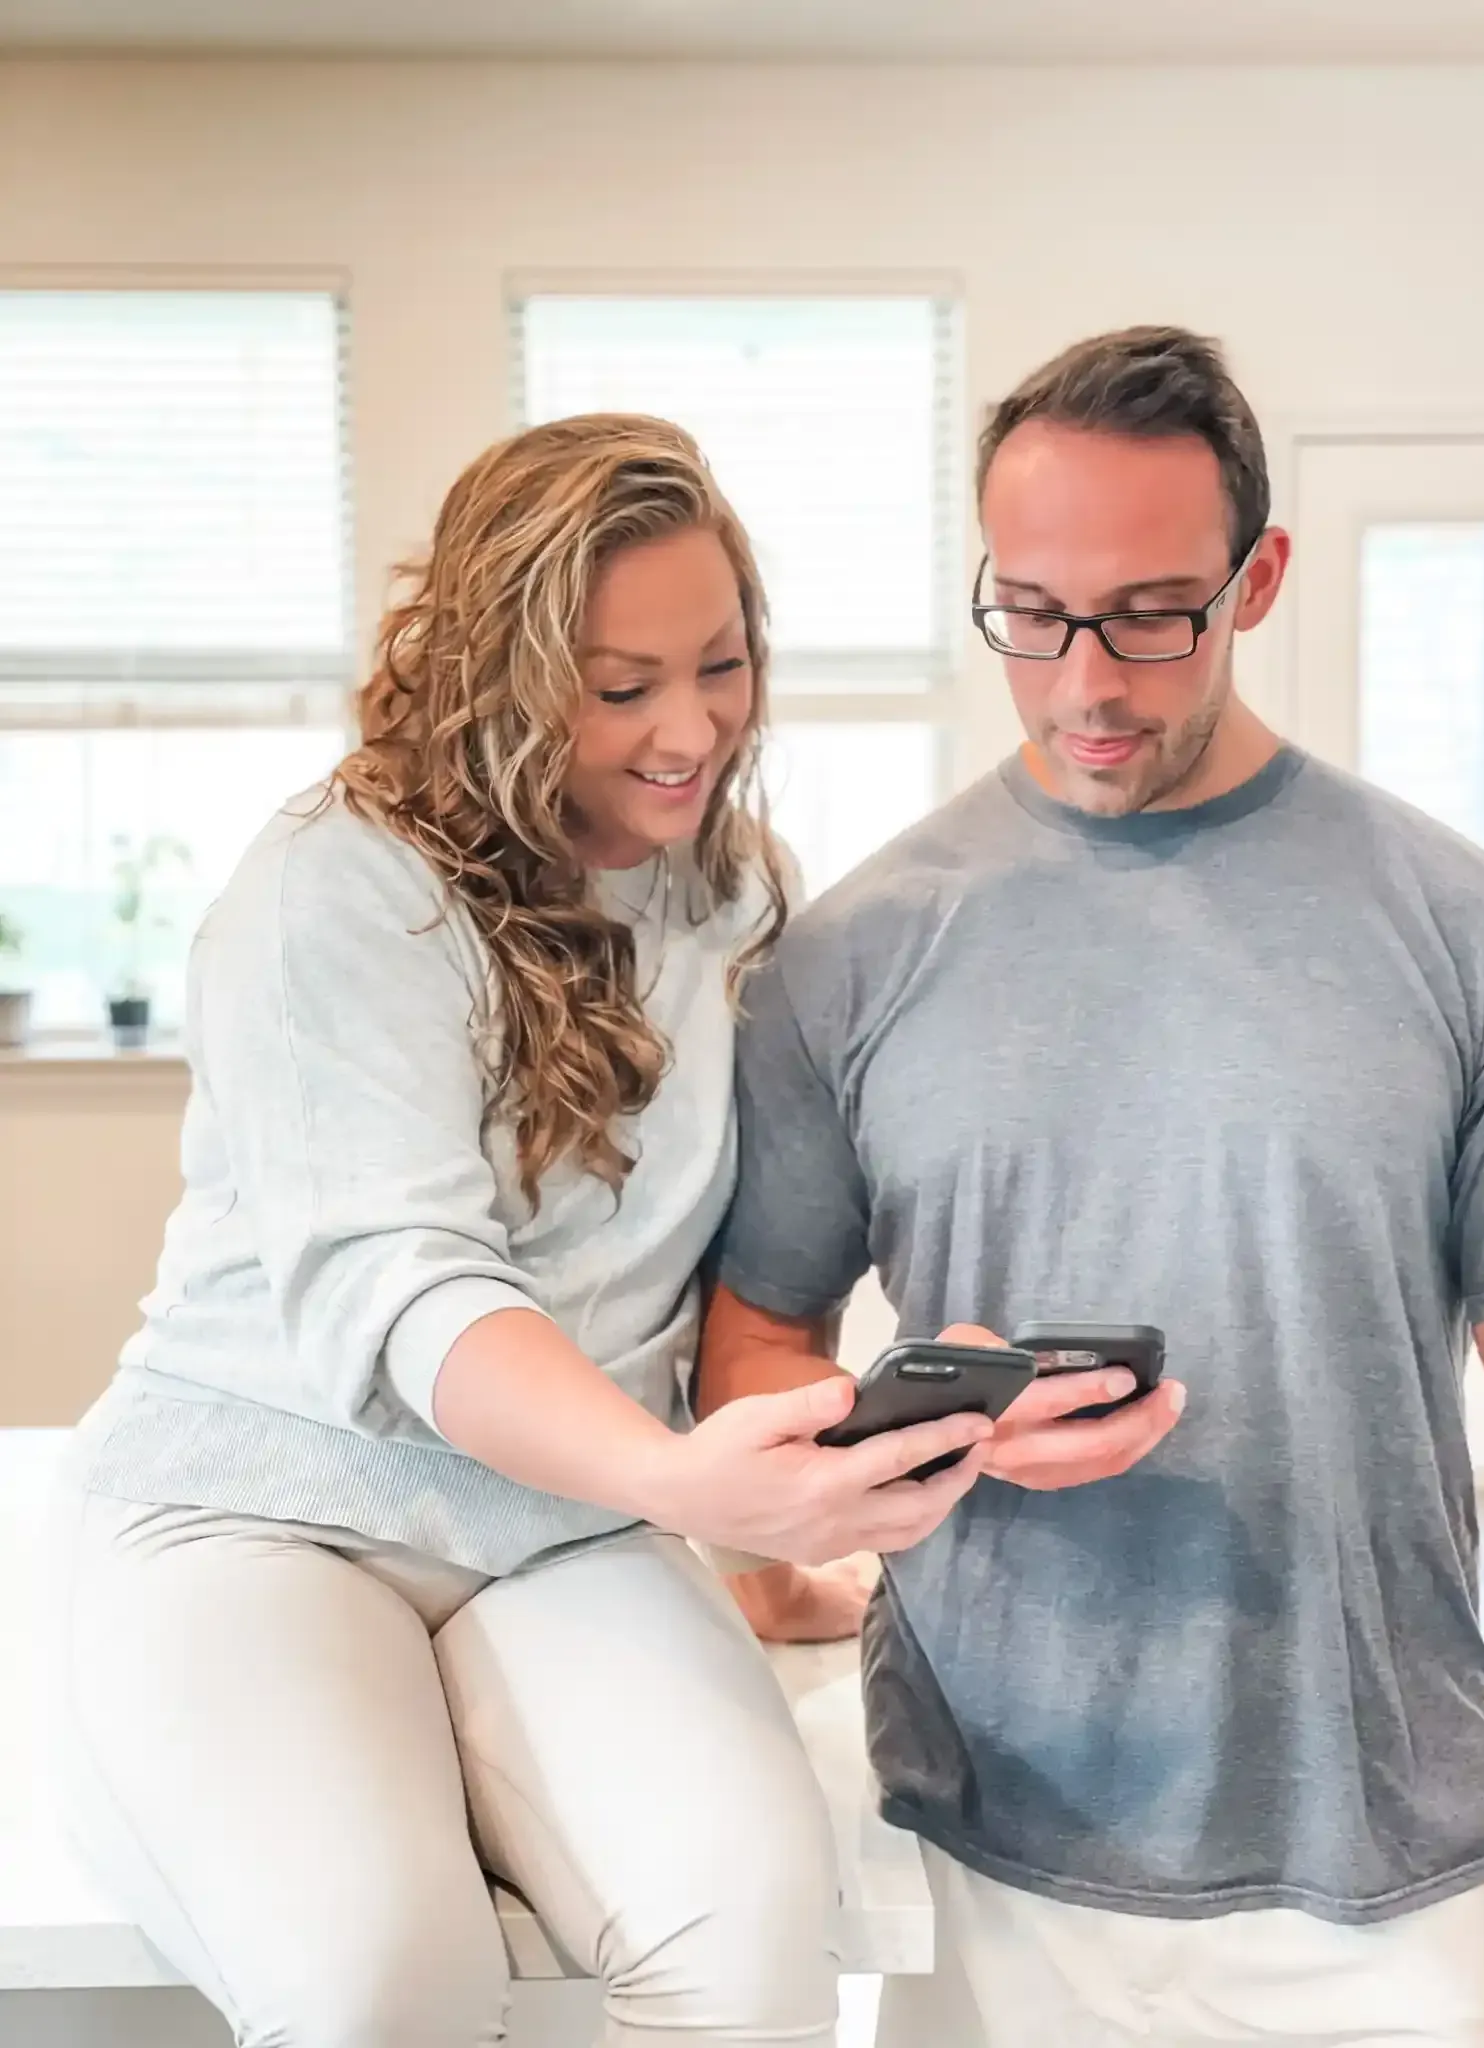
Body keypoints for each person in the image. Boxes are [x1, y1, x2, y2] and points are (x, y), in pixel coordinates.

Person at [46, 414, 1039, 2048]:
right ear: (500, 671)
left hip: (560, 1525)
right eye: (620, 683)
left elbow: (766, 1219)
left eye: (720, 665)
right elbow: (404, 1284)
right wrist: (678, 1484)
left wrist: (822, 1462)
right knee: (382, 1980)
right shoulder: (335, 888)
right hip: (258, 1507)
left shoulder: (724, 888)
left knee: (753, 1938)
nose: (690, 730)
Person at [699, 326, 1484, 2048]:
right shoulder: (851, 958)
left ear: (1259, 578)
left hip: (1393, 1860)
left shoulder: (1473, 937)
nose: (1088, 680)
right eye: (1033, 612)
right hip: (990, 1854)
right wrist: (927, 1426)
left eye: (1155, 611)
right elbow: (751, 1360)